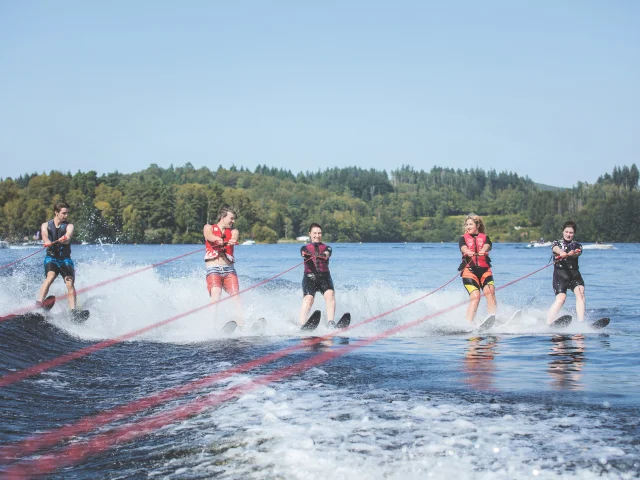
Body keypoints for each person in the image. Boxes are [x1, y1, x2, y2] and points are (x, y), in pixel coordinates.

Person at [203, 205, 241, 324]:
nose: (233, 221)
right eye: (231, 218)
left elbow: (234, 237)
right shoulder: (208, 227)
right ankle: (211, 327)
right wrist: (217, 239)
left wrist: (231, 240)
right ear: (223, 217)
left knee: (236, 296)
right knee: (216, 294)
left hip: (229, 270)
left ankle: (241, 325)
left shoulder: (234, 231)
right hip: (213, 268)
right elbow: (209, 236)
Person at [37, 202, 77, 310]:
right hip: (51, 258)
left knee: (69, 282)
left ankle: (73, 311)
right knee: (50, 277)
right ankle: (39, 303)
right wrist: (47, 241)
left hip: (65, 259)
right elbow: (44, 235)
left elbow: (68, 236)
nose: (66, 216)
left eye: (67, 213)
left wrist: (64, 239)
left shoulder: (69, 226)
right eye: (64, 213)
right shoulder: (45, 225)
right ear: (56, 212)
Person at [458, 214, 497, 323]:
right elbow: (463, 248)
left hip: (485, 271)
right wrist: (469, 252)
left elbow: (487, 245)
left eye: (470, 224)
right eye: (466, 225)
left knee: (491, 293)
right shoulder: (463, 239)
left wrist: (483, 250)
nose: (468, 227)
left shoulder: (485, 238)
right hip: (469, 272)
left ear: (478, 225)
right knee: (476, 297)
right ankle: (469, 324)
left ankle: (492, 319)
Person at [547, 220, 585, 324]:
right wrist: (561, 252)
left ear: (574, 233)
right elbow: (555, 248)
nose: (568, 234)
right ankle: (549, 323)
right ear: (563, 231)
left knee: (580, 293)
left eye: (571, 232)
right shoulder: (556, 243)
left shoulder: (577, 246)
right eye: (566, 232)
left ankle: (581, 322)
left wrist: (572, 254)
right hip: (560, 274)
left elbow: (578, 253)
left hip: (574, 274)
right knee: (561, 298)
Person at [299, 223, 336, 327]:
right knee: (308, 299)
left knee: (330, 294)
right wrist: (306, 255)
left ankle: (331, 322)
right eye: (315, 233)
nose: (317, 235)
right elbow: (303, 252)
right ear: (310, 234)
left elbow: (328, 253)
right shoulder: (304, 247)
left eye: (319, 233)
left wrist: (323, 255)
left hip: (324, 277)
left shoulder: (327, 248)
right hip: (309, 277)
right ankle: (302, 324)